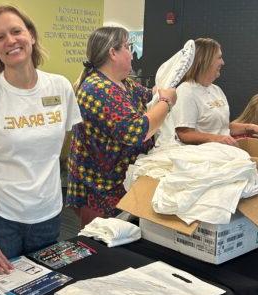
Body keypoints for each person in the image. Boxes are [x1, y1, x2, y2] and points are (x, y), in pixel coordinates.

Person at [0, 5, 81, 274]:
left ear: (31, 35)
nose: (10, 41)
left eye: (16, 31)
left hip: (49, 214)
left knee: (44, 293)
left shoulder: (60, 87)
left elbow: (63, 147)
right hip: (0, 217)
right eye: (0, 37)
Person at [66, 26, 177, 226]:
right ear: (113, 53)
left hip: (119, 185)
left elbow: (149, 97)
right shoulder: (97, 89)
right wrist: (166, 103)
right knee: (101, 246)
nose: (132, 55)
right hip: (100, 190)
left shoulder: (124, 84)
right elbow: (136, 132)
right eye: (127, 47)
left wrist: (159, 94)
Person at [157, 38, 258, 146]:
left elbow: (223, 128)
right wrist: (216, 138)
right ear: (205, 60)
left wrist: (250, 127)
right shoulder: (186, 91)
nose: (223, 62)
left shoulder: (217, 90)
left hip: (219, 150)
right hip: (201, 154)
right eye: (219, 57)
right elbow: (184, 134)